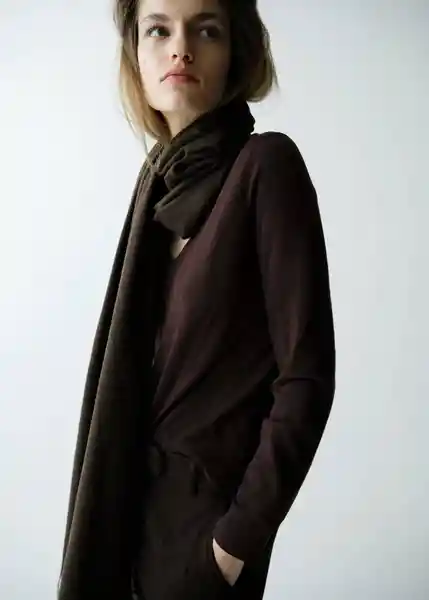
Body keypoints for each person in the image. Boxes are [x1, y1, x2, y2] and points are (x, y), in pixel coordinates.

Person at [57, 0, 336, 599]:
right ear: (136, 54)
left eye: (206, 30)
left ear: (236, 50)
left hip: (203, 544)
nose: (180, 48)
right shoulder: (156, 195)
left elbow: (306, 379)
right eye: (158, 30)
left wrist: (231, 547)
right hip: (129, 527)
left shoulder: (265, 168)